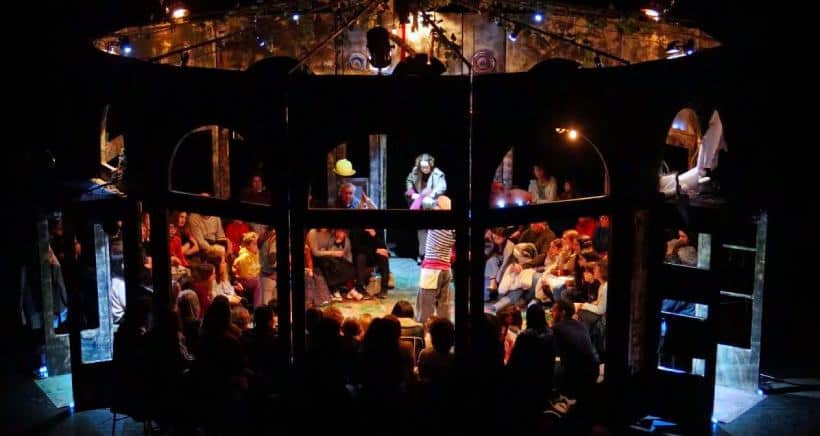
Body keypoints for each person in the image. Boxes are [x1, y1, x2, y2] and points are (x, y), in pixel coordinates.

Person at [415, 196, 455, 324]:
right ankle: (445, 331)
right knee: (444, 307)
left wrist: (421, 195)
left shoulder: (436, 223)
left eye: (436, 205)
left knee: (425, 308)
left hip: (432, 271)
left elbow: (414, 208)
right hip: (446, 270)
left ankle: (423, 332)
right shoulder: (453, 228)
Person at [406, 153, 447, 264]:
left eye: (426, 167)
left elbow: (442, 187)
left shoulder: (438, 174)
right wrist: (411, 191)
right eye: (422, 167)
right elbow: (409, 180)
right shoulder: (416, 171)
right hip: (420, 204)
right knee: (421, 229)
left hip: (433, 204)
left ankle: (433, 255)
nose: (424, 169)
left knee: (433, 230)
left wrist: (432, 194)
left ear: (431, 165)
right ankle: (422, 255)